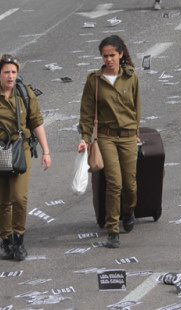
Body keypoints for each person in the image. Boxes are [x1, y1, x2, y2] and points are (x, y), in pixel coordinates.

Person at [0, 54, 51, 260]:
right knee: (2, 201)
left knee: (19, 197)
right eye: (6, 72)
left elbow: (37, 123)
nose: (10, 76)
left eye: (13, 72)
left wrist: (46, 151)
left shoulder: (25, 94)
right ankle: (7, 240)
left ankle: (19, 238)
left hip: (21, 149)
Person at [77, 36, 140, 249]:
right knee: (115, 182)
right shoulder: (94, 80)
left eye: (112, 55)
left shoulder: (131, 77)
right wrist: (85, 139)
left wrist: (136, 132)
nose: (109, 59)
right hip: (106, 137)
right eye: (105, 56)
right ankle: (113, 230)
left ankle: (129, 211)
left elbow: (136, 107)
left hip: (129, 136)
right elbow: (86, 112)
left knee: (130, 185)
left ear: (121, 54)